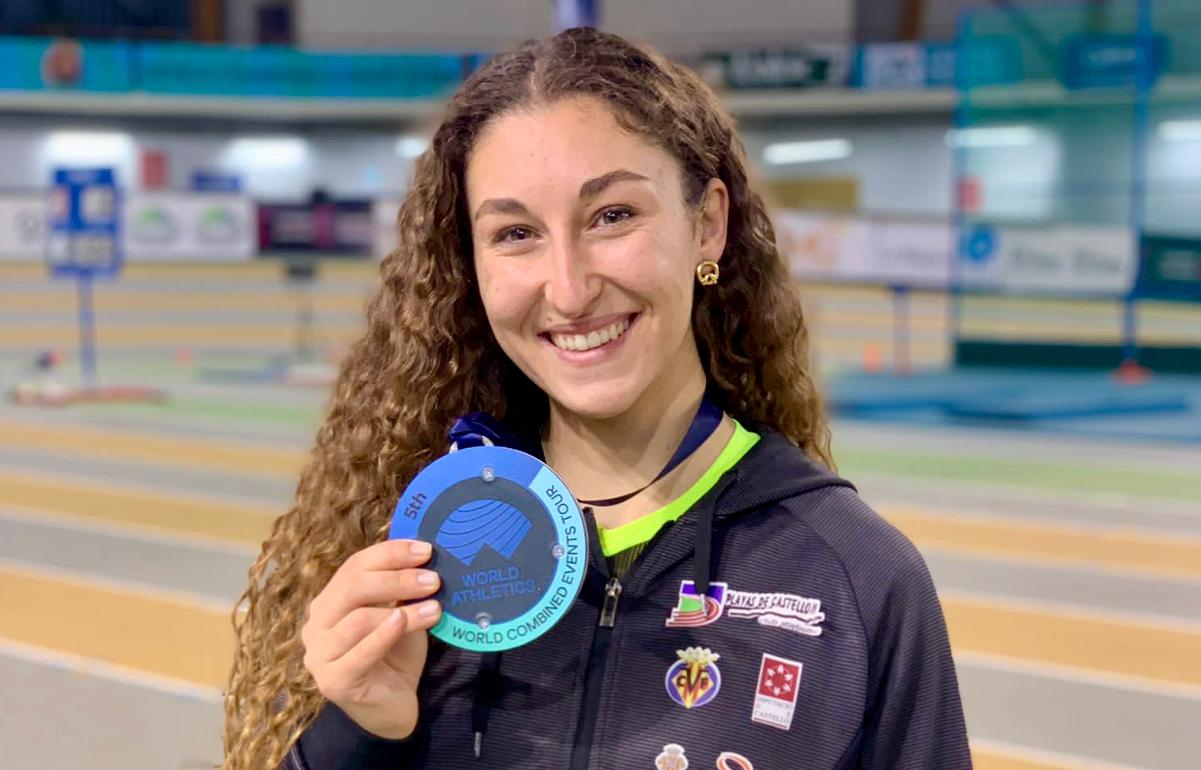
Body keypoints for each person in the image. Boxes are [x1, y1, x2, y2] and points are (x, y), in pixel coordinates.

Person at [222, 27, 971, 770]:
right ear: (472, 266)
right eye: (516, 233)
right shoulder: (423, 559)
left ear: (707, 225)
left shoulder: (855, 577)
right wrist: (356, 735)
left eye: (613, 216)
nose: (570, 290)